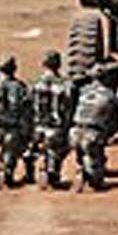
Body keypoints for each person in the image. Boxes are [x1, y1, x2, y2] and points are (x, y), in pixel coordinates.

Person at [0, 56, 32, 189]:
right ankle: (7, 171)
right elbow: (26, 111)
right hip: (12, 130)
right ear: (14, 69)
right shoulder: (21, 87)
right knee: (12, 149)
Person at [69, 65, 118, 192]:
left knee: (83, 151)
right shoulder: (109, 94)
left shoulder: (82, 91)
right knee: (94, 154)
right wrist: (109, 133)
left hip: (75, 131)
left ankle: (81, 169)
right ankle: (91, 178)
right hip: (92, 134)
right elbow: (114, 119)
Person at [31, 50, 73, 189]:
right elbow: (68, 107)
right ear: (59, 64)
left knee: (39, 147)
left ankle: (32, 169)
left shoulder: (35, 83)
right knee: (60, 147)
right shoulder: (65, 84)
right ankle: (52, 172)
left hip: (37, 128)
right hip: (56, 129)